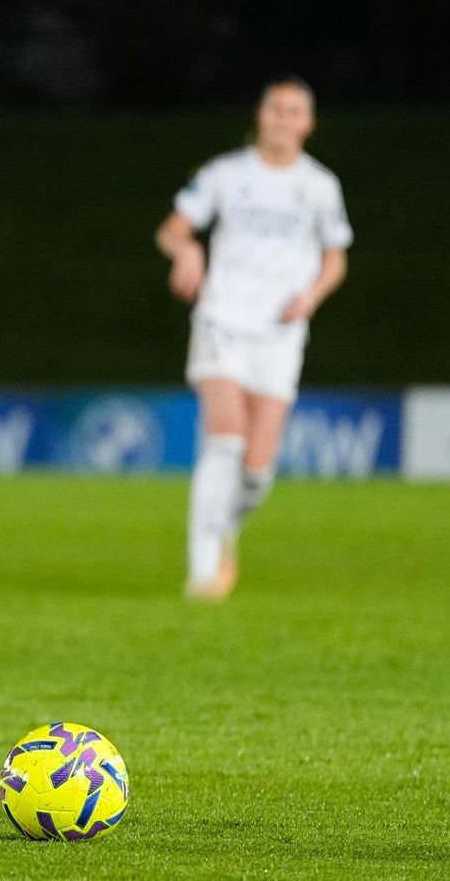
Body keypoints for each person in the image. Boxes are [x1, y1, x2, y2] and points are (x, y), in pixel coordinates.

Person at [155, 77, 351, 601]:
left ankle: (225, 529)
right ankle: (201, 572)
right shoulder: (224, 175)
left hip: (281, 332)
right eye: (274, 108)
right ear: (260, 115)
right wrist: (187, 252)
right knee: (225, 440)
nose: (282, 118)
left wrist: (311, 296)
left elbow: (336, 258)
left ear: (307, 124)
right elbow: (172, 229)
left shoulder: (319, 188)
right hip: (222, 319)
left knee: (257, 472)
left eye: (294, 111)